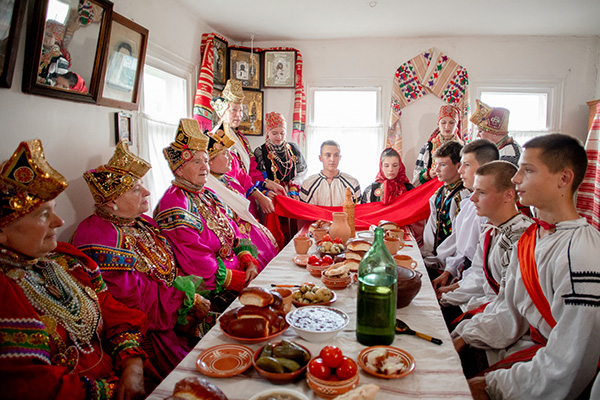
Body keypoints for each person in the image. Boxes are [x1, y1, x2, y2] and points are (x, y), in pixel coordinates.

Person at [0, 139, 152, 400]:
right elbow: (32, 386)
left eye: (54, 210)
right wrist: (111, 391)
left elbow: (115, 313)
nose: (59, 221)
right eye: (43, 214)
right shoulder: (6, 291)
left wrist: (132, 365)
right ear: (3, 231)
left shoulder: (68, 261)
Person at [453, 134, 600, 399]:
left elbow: (571, 358)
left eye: (528, 170)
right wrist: (464, 337)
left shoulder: (581, 252)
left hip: (546, 370)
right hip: (525, 351)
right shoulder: (532, 237)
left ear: (564, 178)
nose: (516, 178)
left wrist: (493, 386)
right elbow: (508, 309)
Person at [70, 140, 211, 378]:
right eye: (136, 189)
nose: (146, 192)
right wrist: (185, 300)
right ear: (111, 201)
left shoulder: (141, 222)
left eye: (142, 185)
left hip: (173, 314)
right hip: (147, 331)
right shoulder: (99, 235)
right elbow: (133, 300)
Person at [154, 119, 260, 313]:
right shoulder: (176, 204)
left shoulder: (208, 194)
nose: (205, 167)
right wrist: (238, 279)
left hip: (238, 275)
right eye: (197, 162)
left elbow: (234, 230)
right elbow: (197, 261)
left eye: (205, 160)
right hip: (213, 290)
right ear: (179, 168)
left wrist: (247, 260)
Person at [440, 161, 532, 333]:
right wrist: (446, 297)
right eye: (474, 191)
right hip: (487, 306)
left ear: (508, 195)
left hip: (504, 319)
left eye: (481, 192)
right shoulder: (490, 230)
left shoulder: (521, 239)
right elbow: (478, 277)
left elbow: (512, 307)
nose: (472, 198)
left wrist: (467, 336)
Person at [426, 139, 500, 293]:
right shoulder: (468, 204)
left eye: (466, 165)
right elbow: (462, 250)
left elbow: (482, 269)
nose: (460, 171)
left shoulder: (492, 213)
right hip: (459, 275)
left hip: (476, 286)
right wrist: (449, 271)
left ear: (485, 168)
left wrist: (452, 289)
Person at [204, 127, 279, 267]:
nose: (231, 158)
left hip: (246, 232)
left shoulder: (230, 180)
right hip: (234, 242)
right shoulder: (207, 190)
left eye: (230, 153)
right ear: (209, 161)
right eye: (225, 153)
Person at [210, 81, 276, 216]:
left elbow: (252, 167)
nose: (239, 115)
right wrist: (259, 195)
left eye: (241, 110)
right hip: (230, 196)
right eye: (233, 110)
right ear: (223, 111)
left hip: (247, 193)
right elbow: (234, 172)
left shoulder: (241, 138)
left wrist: (266, 185)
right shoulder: (217, 137)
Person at [420, 141, 470, 280]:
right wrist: (427, 253)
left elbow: (458, 236)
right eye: (436, 164)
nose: (436, 170)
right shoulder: (439, 192)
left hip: (451, 264)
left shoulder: (462, 196)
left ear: (458, 166)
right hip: (434, 260)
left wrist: (440, 259)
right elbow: (431, 225)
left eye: (442, 165)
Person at [254, 111, 307, 200]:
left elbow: (302, 172)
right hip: (271, 195)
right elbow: (258, 177)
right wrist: (265, 191)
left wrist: (294, 187)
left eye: (282, 133)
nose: (279, 137)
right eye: (274, 133)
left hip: (292, 193)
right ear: (268, 132)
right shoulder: (261, 152)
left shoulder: (293, 148)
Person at [413, 104, 463, 186]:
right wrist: (428, 174)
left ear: (457, 124)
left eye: (452, 123)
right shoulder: (429, 147)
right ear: (438, 123)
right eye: (443, 122)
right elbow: (415, 179)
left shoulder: (463, 148)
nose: (447, 127)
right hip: (432, 189)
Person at [300, 140, 361, 206]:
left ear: (340, 157)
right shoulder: (308, 184)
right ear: (320, 158)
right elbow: (303, 210)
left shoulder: (353, 183)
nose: (332, 159)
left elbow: (358, 210)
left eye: (336, 155)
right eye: (328, 155)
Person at [470, 99, 521, 166]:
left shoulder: (509, 151)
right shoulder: (496, 147)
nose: (478, 135)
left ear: (494, 134)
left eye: (480, 131)